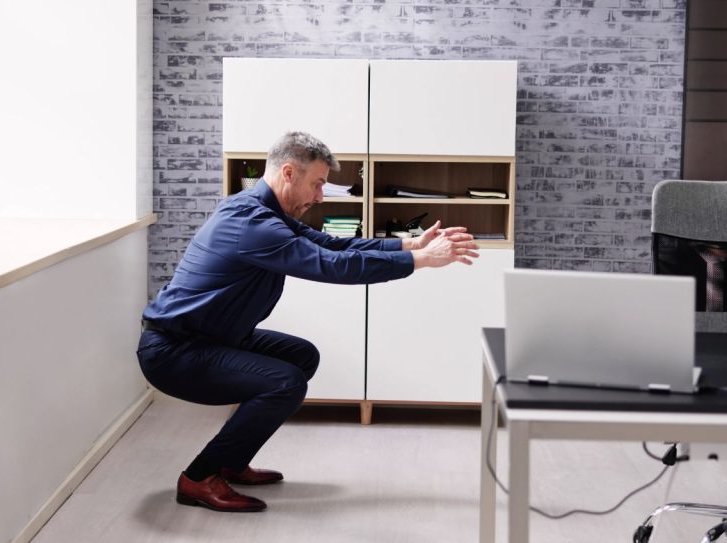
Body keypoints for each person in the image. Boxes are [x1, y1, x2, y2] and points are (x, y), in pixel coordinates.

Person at [136, 131, 479, 513]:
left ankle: (230, 461)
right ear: (288, 172)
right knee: (285, 381)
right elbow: (331, 266)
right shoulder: (253, 221)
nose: (319, 196)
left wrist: (408, 244)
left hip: (213, 338)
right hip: (174, 351)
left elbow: (331, 245)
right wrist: (421, 261)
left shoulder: (264, 210)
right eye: (317, 184)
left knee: (301, 356)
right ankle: (198, 478)